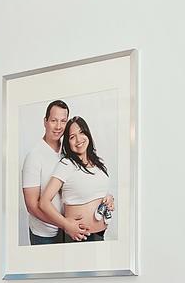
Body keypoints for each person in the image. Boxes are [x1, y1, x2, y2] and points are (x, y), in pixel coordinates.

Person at [17, 100, 89, 246]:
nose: (58, 126)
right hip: (45, 235)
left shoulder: (68, 150)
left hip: (68, 232)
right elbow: (31, 206)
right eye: (54, 120)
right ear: (45, 122)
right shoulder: (34, 157)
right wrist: (65, 224)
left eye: (63, 121)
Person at [43, 116, 115, 243]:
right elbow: (44, 202)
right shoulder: (66, 164)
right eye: (72, 137)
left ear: (87, 134)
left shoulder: (98, 163)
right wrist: (66, 225)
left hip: (100, 235)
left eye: (81, 132)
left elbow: (94, 190)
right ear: (68, 143)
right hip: (78, 237)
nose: (78, 139)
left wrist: (109, 199)